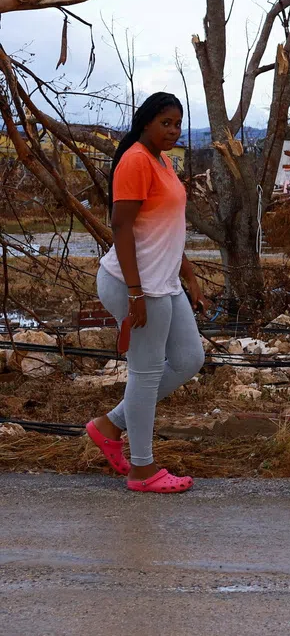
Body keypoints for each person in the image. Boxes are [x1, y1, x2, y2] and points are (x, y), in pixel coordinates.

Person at [85, 92, 210, 494]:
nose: (173, 130)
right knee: (146, 371)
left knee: (190, 357)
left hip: (163, 281)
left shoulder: (161, 161)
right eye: (165, 123)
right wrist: (136, 293)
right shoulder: (136, 160)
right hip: (134, 283)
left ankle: (110, 425)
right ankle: (142, 470)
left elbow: (165, 229)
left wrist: (190, 276)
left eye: (177, 123)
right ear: (146, 122)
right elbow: (121, 228)